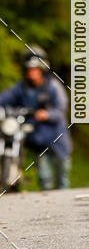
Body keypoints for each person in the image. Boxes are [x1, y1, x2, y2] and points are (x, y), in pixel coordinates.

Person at [0, 46, 72, 190]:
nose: (32, 73)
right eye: (29, 70)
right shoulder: (21, 87)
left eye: (35, 70)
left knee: (62, 176)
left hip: (57, 138)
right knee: (44, 177)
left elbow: (61, 108)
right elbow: (4, 99)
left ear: (42, 70)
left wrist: (47, 114)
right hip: (39, 140)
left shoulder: (53, 86)